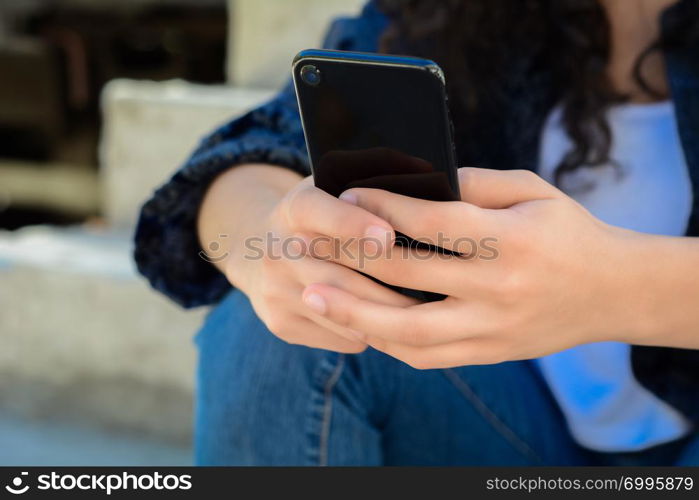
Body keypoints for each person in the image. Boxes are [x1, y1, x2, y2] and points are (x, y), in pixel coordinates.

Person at [134, 0, 699, 465]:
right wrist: (265, 246)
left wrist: (611, 290)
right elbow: (250, 157)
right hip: (513, 425)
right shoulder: (453, 13)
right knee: (292, 320)